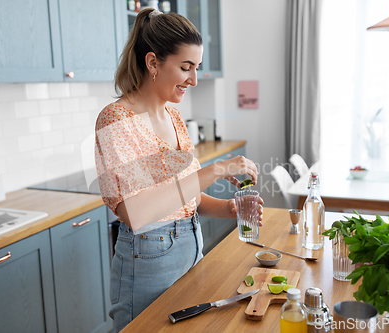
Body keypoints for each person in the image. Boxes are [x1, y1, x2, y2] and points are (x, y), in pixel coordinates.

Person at [95, 8, 264, 332]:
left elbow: (186, 198)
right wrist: (214, 170)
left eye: (196, 68)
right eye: (186, 67)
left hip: (191, 244)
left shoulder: (173, 118)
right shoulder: (116, 120)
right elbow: (136, 213)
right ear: (153, 63)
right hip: (147, 259)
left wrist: (227, 209)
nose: (194, 79)